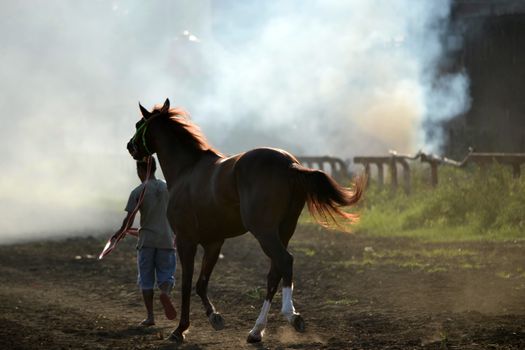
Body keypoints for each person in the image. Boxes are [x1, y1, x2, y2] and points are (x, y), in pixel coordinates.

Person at [112, 157, 177, 326]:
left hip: (146, 240)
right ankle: (165, 293)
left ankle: (150, 317)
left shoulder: (138, 191)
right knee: (166, 274)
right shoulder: (167, 187)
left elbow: (130, 218)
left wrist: (119, 233)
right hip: (166, 239)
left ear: (140, 171)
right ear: (154, 168)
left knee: (146, 279)